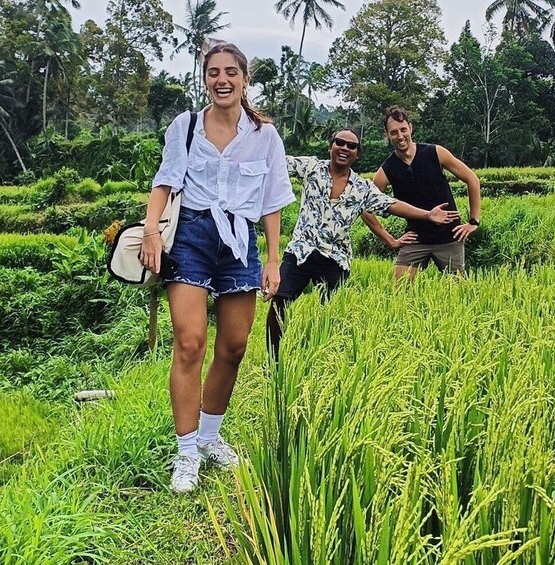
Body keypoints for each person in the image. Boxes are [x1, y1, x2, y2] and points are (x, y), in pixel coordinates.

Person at [140, 43, 295, 494]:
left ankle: (209, 439)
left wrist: (271, 258)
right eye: (213, 72)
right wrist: (151, 231)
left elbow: (270, 203)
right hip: (190, 235)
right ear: (204, 78)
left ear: (245, 79)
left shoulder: (265, 135)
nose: (222, 80)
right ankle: (186, 451)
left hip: (241, 242)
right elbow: (165, 182)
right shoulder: (186, 126)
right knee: (190, 343)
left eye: (231, 72)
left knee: (234, 346)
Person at [265, 128, 460, 360]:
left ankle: (321, 357)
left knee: (330, 312)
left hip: (336, 258)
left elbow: (392, 204)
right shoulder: (311, 168)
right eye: (340, 143)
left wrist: (427, 215)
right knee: (280, 301)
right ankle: (272, 360)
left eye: (352, 146)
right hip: (302, 250)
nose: (345, 148)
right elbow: (276, 161)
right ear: (330, 147)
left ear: (357, 155)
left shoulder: (362, 188)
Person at [361, 105, 482, 279]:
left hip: (449, 236)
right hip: (415, 239)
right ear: (387, 135)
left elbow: (472, 179)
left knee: (459, 294)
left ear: (410, 127)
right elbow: (365, 209)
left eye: (403, 129)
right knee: (399, 292)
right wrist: (390, 240)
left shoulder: (436, 153)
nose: (400, 136)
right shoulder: (385, 171)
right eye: (394, 132)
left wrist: (473, 221)